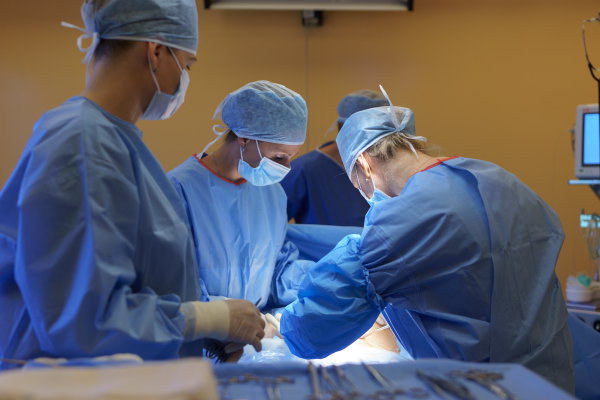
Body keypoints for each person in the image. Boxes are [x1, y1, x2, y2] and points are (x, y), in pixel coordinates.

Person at [0, 0, 264, 369]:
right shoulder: (81, 142)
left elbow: (135, 285)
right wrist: (208, 318)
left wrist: (205, 332)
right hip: (73, 386)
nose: (184, 79)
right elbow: (84, 323)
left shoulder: (115, 142)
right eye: (186, 64)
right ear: (155, 51)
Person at [280, 87, 575, 392]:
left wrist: (280, 326)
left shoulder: (398, 221)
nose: (366, 196)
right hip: (549, 379)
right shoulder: (498, 179)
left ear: (364, 165)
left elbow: (309, 333)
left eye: (359, 186)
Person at [168, 81, 314, 316]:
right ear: (244, 137)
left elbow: (276, 272)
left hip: (252, 340)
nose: (286, 167)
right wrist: (223, 318)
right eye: (278, 157)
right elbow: (172, 280)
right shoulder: (179, 188)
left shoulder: (272, 193)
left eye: (290, 157)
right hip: (199, 336)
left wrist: (322, 282)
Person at [280, 90, 388, 226]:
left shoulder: (388, 166)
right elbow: (269, 227)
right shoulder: (303, 171)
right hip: (326, 247)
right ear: (345, 130)